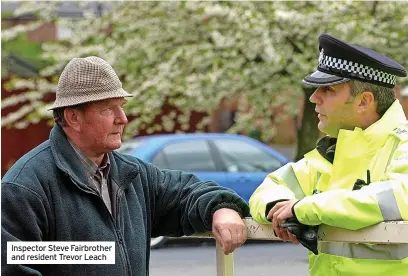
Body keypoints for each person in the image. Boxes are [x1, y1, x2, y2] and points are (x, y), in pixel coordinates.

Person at [1, 56, 249, 276]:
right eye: (108, 109)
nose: (123, 118)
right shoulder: (25, 187)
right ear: (73, 117)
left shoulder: (133, 175)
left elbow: (185, 192)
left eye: (122, 106)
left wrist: (221, 208)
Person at [249, 34, 408, 275]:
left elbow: (397, 200)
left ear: (364, 101)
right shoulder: (331, 152)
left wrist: (302, 209)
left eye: (328, 89)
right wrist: (279, 207)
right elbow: (272, 185)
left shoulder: (403, 144)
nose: (314, 98)